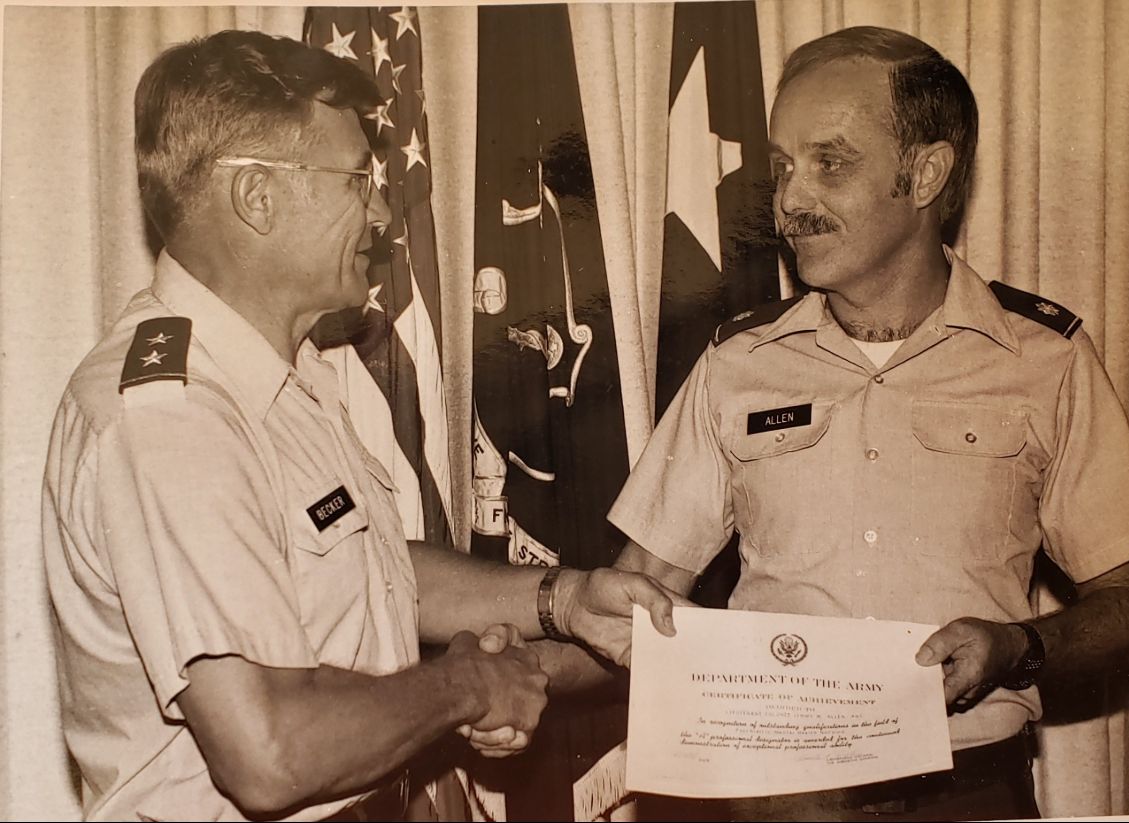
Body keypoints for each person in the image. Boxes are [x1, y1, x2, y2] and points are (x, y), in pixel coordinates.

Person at [41, 29, 679, 823]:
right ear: (257, 198)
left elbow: (375, 575)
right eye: (354, 180)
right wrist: (468, 685)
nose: (381, 210)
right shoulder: (171, 416)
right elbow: (267, 755)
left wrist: (565, 599)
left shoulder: (283, 374)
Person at [607, 26, 1129, 822]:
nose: (789, 201)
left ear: (925, 173)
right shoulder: (736, 362)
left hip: (971, 788)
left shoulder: (1046, 358)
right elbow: (635, 596)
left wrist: (1020, 647)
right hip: (776, 796)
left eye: (829, 163)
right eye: (781, 167)